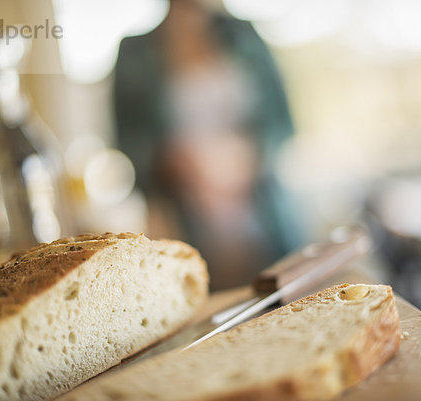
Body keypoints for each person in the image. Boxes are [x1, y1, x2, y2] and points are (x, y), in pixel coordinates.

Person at [114, 0, 302, 290]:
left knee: (286, 295)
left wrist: (244, 158)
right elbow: (128, 143)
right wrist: (175, 163)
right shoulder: (133, 52)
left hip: (261, 208)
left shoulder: (244, 35)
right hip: (184, 211)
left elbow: (282, 123)